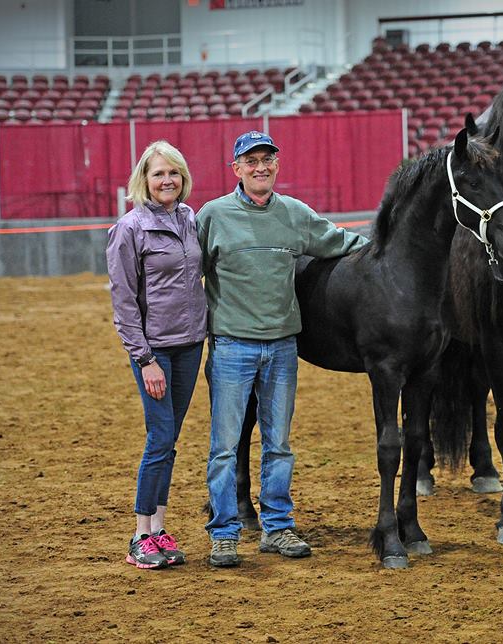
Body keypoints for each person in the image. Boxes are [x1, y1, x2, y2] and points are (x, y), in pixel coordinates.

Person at [198, 130, 369, 568]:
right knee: (225, 445)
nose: (260, 167)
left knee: (279, 445)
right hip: (231, 347)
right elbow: (184, 271)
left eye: (267, 160)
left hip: (281, 348)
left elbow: (343, 241)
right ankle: (224, 532)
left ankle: (277, 527)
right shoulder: (213, 215)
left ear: (277, 165)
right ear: (235, 168)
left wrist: (394, 251)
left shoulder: (295, 214)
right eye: (251, 161)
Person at [106, 140, 206, 570]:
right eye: (159, 173)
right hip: (155, 351)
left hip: (190, 345)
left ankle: (159, 529)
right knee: (159, 437)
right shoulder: (129, 229)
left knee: (169, 440)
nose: (168, 180)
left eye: (174, 173)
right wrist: (144, 359)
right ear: (144, 180)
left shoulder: (189, 219)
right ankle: (139, 536)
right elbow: (124, 301)